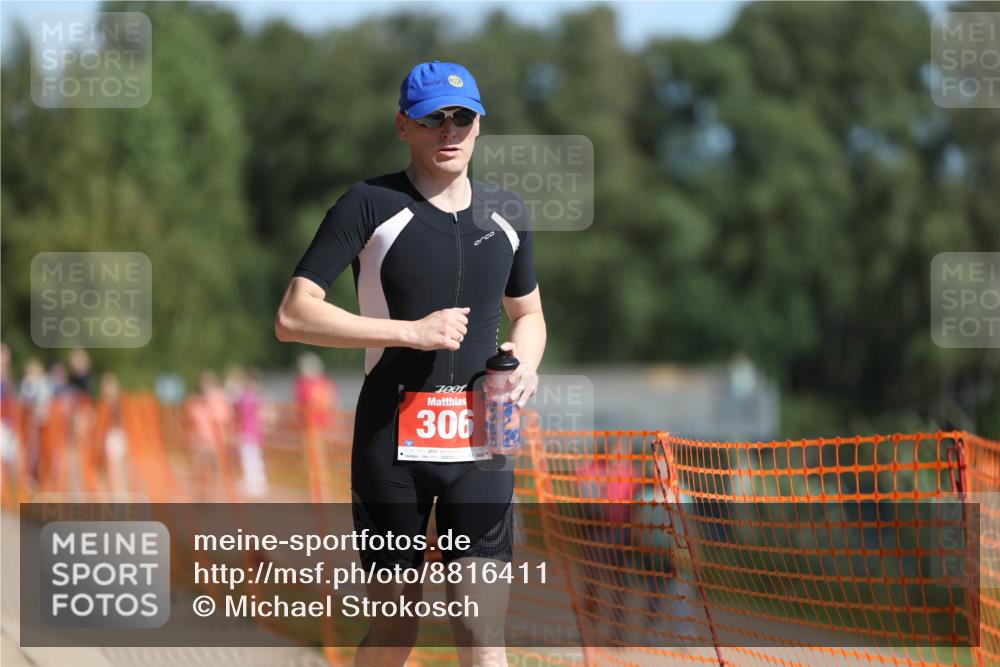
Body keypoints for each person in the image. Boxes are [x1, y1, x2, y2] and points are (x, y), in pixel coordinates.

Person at [276, 61, 546, 667]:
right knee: (399, 626)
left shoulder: (508, 213)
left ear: (480, 125)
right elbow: (293, 315)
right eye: (433, 119)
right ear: (404, 125)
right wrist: (410, 332)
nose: (449, 131)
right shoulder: (369, 204)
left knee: (481, 629)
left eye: (462, 118)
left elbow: (529, 314)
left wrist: (524, 367)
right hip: (390, 442)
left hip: (484, 440)